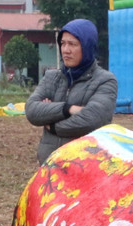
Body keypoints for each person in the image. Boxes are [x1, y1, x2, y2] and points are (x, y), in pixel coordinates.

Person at [25, 19, 118, 164]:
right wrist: (68, 109)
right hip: (50, 165)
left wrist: (53, 126)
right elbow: (32, 110)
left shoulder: (105, 80)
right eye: (63, 43)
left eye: (73, 44)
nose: (66, 50)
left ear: (87, 47)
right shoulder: (51, 77)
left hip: (84, 165)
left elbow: (93, 119)